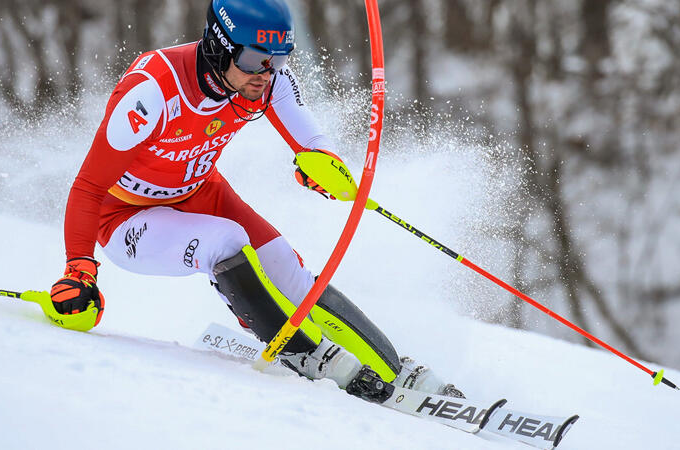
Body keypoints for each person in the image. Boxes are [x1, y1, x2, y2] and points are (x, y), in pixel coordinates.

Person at [50, 0, 462, 400]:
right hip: (125, 217)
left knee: (283, 261)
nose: (265, 73)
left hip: (199, 193)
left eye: (278, 59)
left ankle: (395, 367)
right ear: (218, 44)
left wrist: (322, 165)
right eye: (252, 59)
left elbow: (312, 141)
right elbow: (88, 186)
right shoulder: (153, 91)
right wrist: (79, 270)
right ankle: (305, 354)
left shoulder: (264, 81)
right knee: (225, 241)